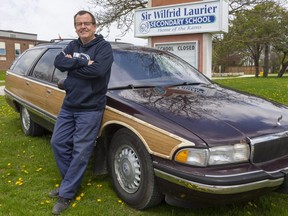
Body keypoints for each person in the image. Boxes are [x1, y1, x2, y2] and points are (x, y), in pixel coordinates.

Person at [50, 10, 113, 215]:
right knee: (58, 142)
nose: (83, 27)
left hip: (90, 108)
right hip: (69, 105)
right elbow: (58, 63)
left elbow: (98, 72)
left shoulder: (104, 47)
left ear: (94, 26)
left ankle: (66, 193)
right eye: (79, 24)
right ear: (75, 27)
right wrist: (83, 62)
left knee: (80, 150)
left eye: (87, 23)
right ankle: (70, 183)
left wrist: (72, 65)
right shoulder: (73, 45)